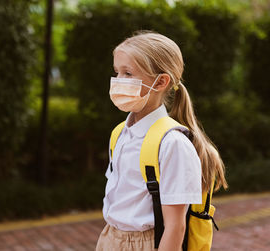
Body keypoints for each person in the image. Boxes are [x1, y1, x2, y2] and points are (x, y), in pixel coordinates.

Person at [95, 30, 228, 251]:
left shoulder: (172, 144)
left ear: (160, 82)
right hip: (110, 236)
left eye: (128, 73)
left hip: (147, 243)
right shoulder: (120, 133)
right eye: (117, 72)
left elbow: (175, 227)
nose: (118, 81)